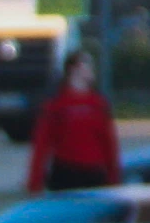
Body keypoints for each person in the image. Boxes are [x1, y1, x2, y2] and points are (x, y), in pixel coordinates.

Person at [26, 49, 122, 195]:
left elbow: (108, 142)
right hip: (66, 172)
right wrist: (35, 180)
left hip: (93, 173)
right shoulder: (57, 105)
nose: (91, 70)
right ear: (74, 69)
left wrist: (114, 176)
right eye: (87, 65)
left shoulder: (98, 104)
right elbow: (42, 144)